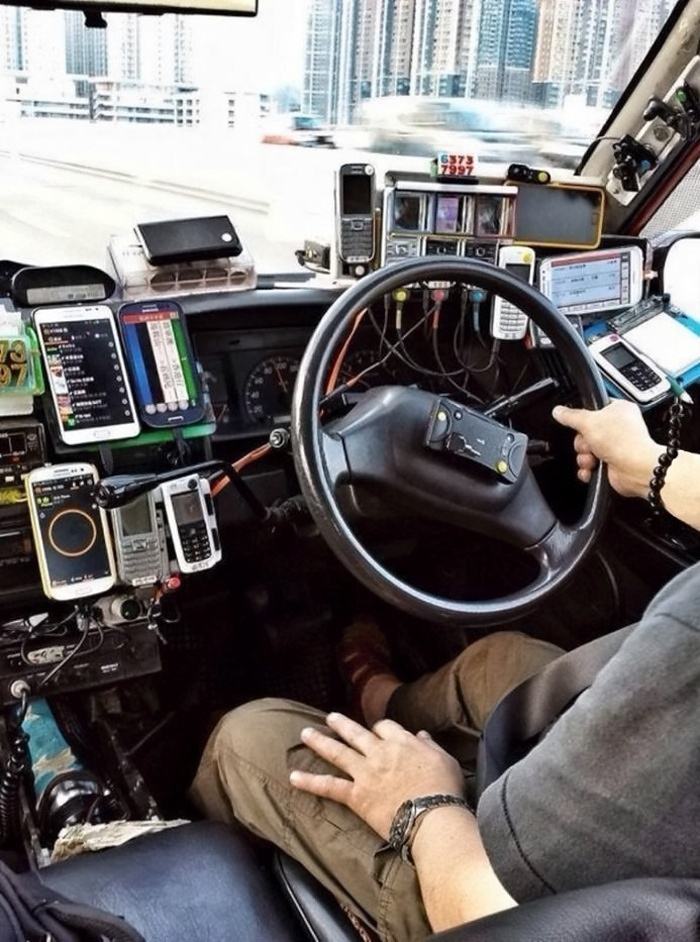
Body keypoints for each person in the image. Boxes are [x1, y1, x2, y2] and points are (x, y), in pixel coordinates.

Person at [191, 400, 700, 942]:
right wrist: (650, 464)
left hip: (516, 902)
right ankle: (379, 699)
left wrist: (425, 808)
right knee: (499, 661)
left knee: (244, 738)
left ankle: (218, 852)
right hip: (627, 821)